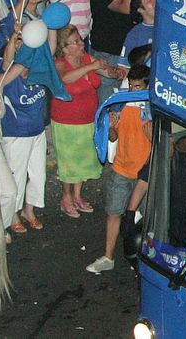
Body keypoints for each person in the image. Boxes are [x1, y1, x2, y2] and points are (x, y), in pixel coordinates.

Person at [87, 63, 152, 274]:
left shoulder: (153, 107)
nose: (134, 90)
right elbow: (113, 137)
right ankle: (108, 256)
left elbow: (158, 144)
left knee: (149, 219)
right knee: (113, 214)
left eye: (138, 86)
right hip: (121, 169)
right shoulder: (121, 104)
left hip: (145, 174)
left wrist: (148, 125)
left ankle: (149, 262)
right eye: (131, 86)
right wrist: (112, 127)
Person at [52, 27, 103, 219]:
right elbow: (66, 78)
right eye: (76, 42)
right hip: (66, 121)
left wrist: (114, 71)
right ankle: (66, 198)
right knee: (69, 163)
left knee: (82, 159)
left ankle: (77, 195)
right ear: (65, 48)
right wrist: (92, 67)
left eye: (80, 40)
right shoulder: (60, 63)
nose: (82, 44)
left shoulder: (87, 58)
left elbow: (105, 72)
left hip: (87, 119)